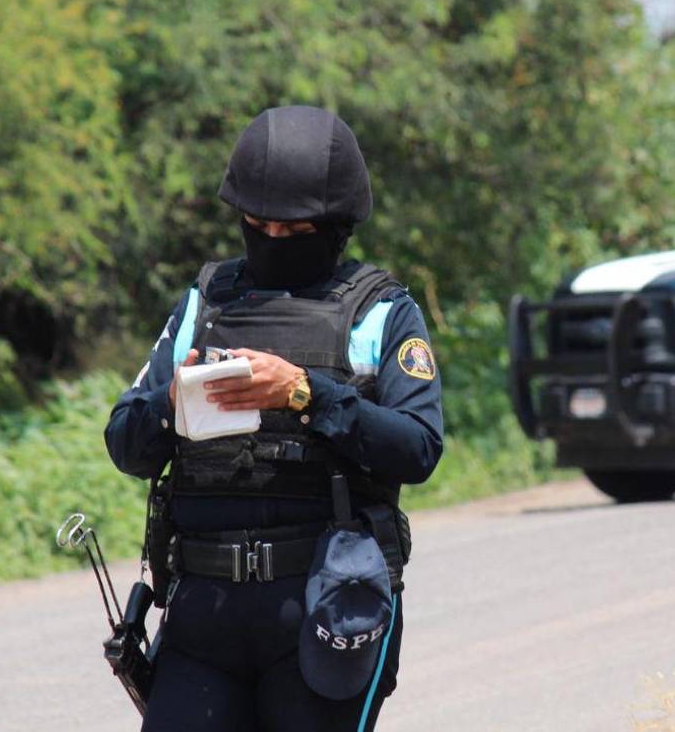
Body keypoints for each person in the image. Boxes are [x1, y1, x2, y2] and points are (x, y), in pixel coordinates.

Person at [105, 106, 443, 731]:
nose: (272, 242)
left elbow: (418, 449)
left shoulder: (382, 314)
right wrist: (172, 402)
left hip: (323, 605)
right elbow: (125, 442)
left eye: (294, 231)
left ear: (335, 227)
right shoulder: (203, 305)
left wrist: (306, 394)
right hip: (202, 619)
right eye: (257, 226)